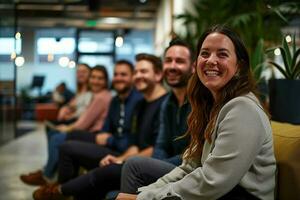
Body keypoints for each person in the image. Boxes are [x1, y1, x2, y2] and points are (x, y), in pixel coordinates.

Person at [117, 25, 276, 200]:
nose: (210, 60)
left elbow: (212, 181)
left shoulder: (243, 109)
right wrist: (145, 193)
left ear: (239, 66)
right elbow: (189, 166)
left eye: (222, 54)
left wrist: (144, 198)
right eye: (205, 53)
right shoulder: (211, 105)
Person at [32, 53, 168, 200]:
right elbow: (134, 142)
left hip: (146, 162)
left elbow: (153, 148)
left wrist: (120, 157)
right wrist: (120, 156)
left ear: (158, 75)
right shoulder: (138, 103)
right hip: (129, 153)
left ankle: (59, 190)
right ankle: (55, 182)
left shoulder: (160, 103)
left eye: (143, 71)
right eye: (136, 72)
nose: (138, 76)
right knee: (66, 143)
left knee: (101, 169)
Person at [119, 37, 194, 195]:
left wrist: (156, 165)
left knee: (133, 166)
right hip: (169, 165)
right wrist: (155, 164)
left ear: (193, 67)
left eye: (179, 61)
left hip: (191, 170)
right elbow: (161, 145)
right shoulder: (168, 102)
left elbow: (195, 155)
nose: (172, 66)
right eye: (168, 60)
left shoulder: (200, 101)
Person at [20, 65, 112, 185]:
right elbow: (81, 114)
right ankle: (49, 172)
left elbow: (84, 122)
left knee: (57, 137)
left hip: (94, 133)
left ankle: (48, 177)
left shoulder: (101, 97)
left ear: (106, 81)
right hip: (89, 130)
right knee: (54, 132)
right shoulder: (97, 95)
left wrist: (68, 128)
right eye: (93, 77)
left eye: (100, 78)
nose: (95, 81)